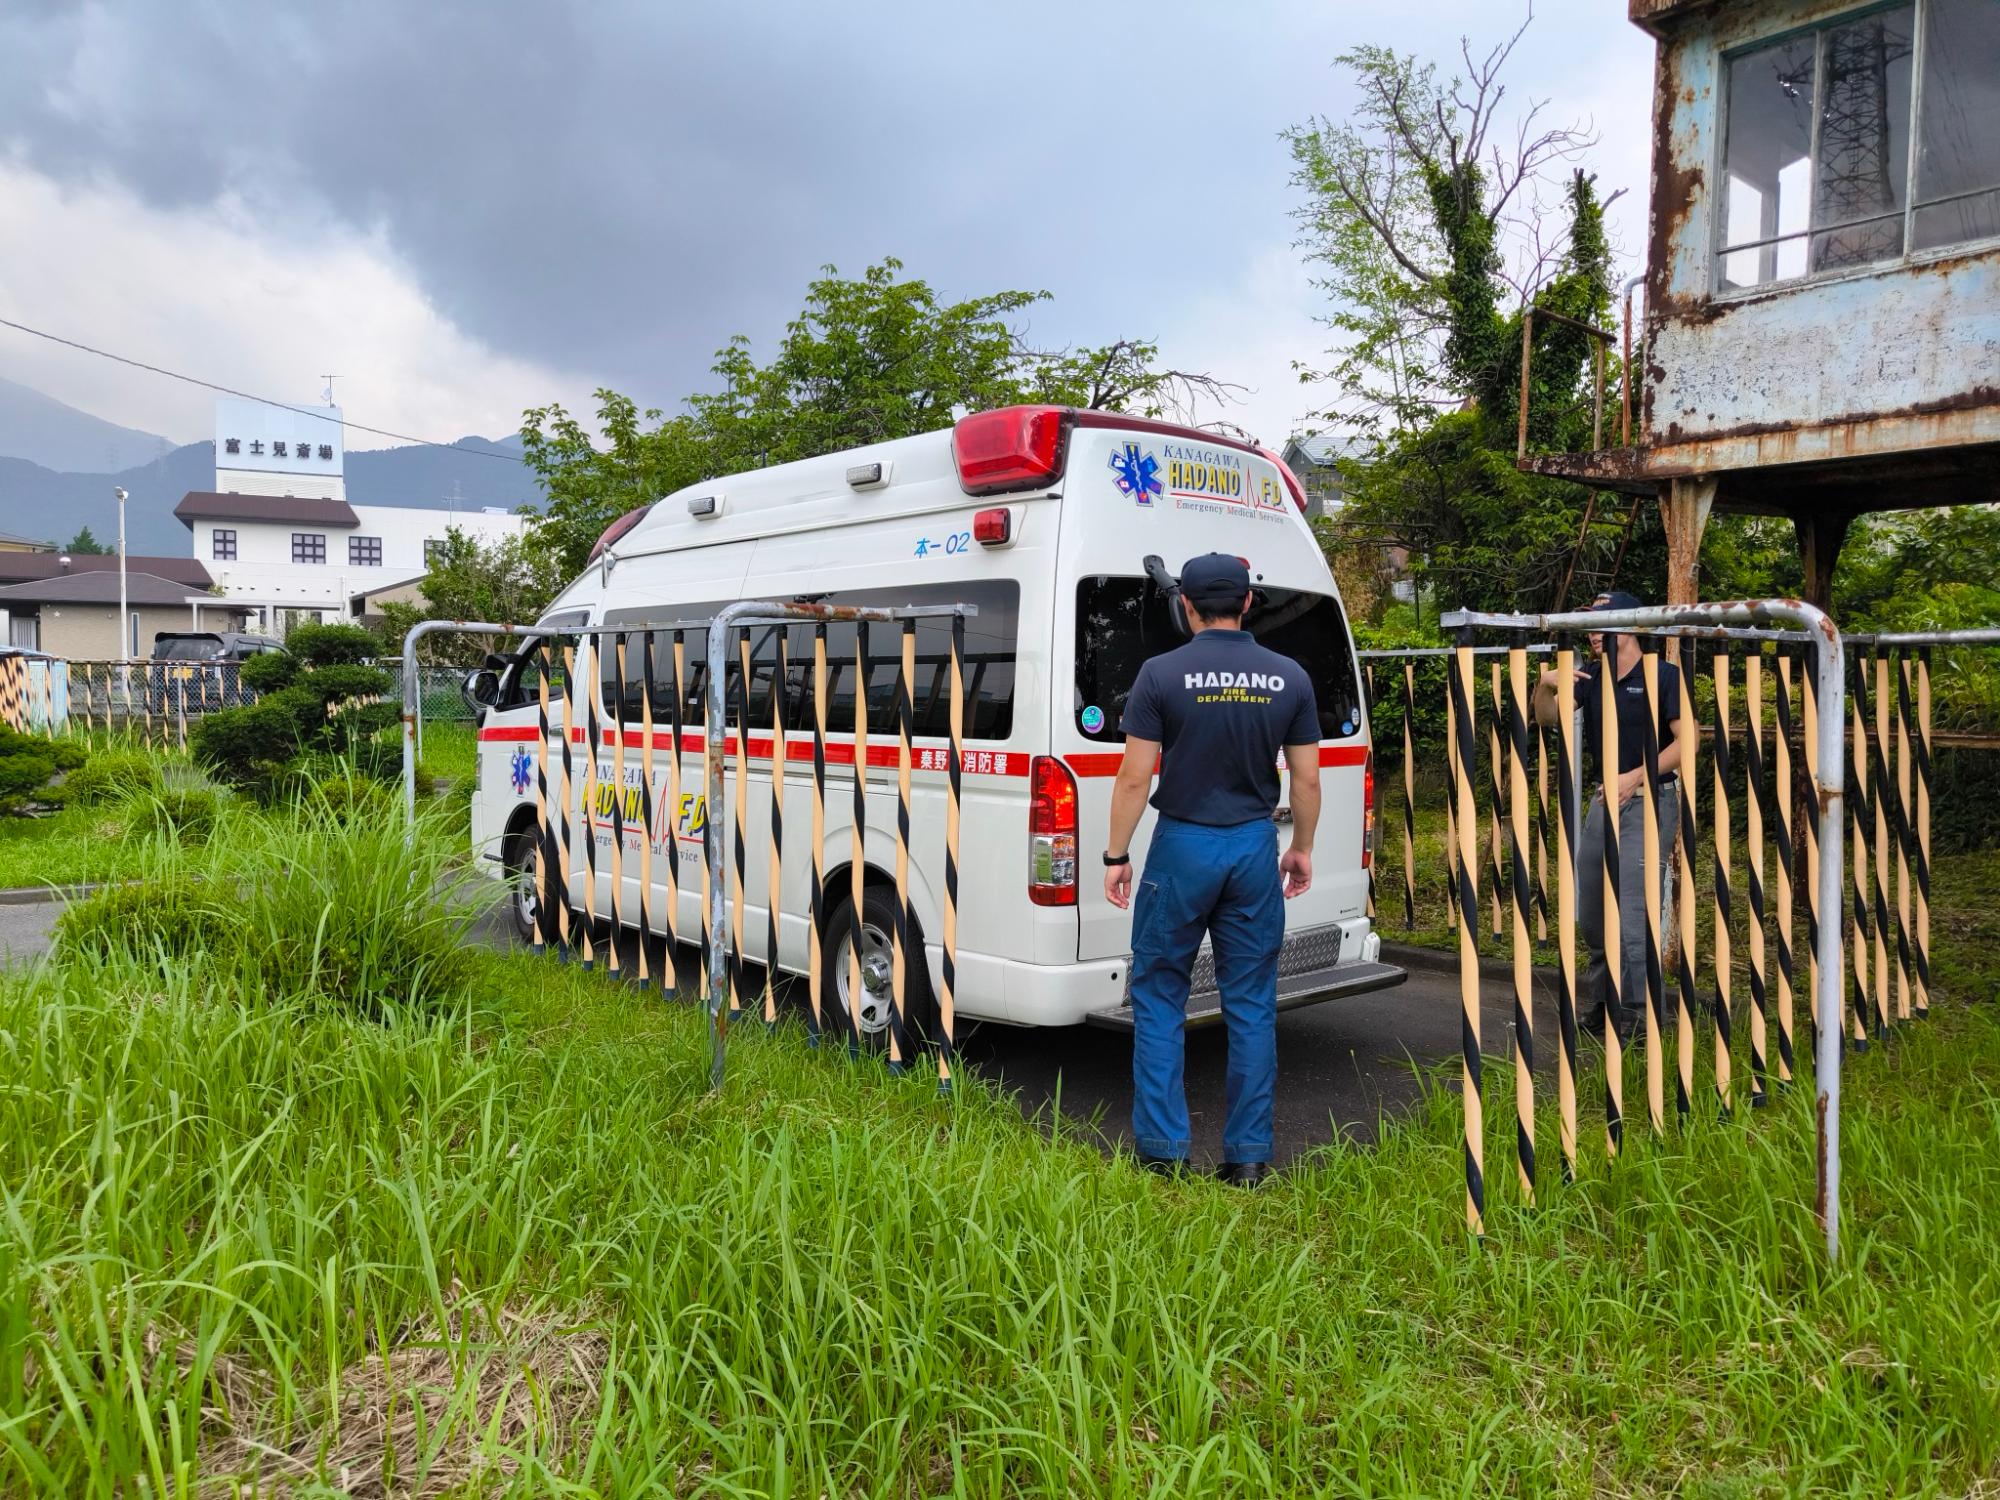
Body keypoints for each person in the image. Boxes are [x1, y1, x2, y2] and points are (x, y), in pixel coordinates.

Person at [1103, 553, 1321, 1186]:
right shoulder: (1289, 677)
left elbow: (1135, 777)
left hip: (1183, 846)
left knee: (1162, 992)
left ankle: (1163, 1153)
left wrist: (1117, 855)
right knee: (1251, 1003)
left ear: (1187, 607)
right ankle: (1249, 1159)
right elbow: (1305, 777)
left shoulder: (1159, 674)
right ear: (1248, 603)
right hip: (1254, 845)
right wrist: (1300, 847)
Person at [1532, 589, 1683, 1045]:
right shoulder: (1591, 677)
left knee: (1633, 914)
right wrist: (1546, 684)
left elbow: (1686, 743)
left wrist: (1635, 776)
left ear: (1631, 626)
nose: (1593, 632)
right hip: (1604, 802)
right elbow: (1546, 720)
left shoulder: (1663, 676)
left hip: (1651, 800)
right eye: (1590, 624)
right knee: (1593, 909)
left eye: (1601, 623)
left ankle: (1638, 1017)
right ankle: (1602, 1001)